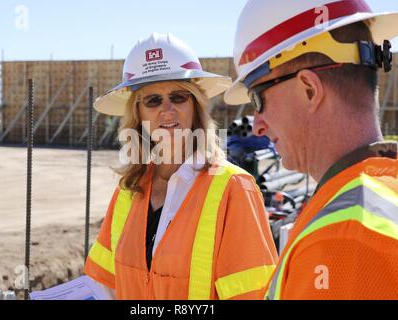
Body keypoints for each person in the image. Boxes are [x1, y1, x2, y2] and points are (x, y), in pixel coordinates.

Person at [83, 33, 278, 300]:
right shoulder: (127, 190)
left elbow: (251, 295)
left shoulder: (233, 188)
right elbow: (104, 287)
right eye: (153, 100)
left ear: (196, 106)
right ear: (137, 113)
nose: (167, 111)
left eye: (179, 97)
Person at [225, 0, 398, 299]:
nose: (258, 126)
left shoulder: (341, 239)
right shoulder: (384, 190)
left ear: (309, 89)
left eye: (257, 100)